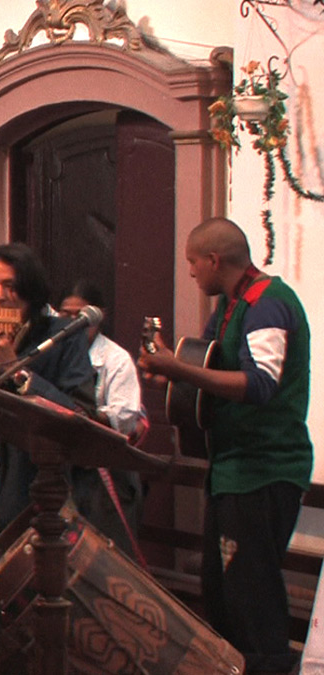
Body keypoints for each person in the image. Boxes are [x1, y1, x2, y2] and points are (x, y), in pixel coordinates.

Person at [137, 218, 311, 673]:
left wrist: (180, 371)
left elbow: (260, 384)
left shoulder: (269, 305)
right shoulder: (233, 305)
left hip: (264, 471)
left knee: (251, 598)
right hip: (234, 470)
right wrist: (175, 375)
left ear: (214, 260)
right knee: (222, 593)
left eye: (194, 263)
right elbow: (208, 362)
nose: (191, 273)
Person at [0, 243, 95, 529]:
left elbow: (81, 411)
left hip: (43, 485)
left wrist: (16, 370)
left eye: (10, 286)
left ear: (31, 290)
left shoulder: (64, 336)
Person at [58, 280, 146, 558]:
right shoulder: (54, 354)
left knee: (106, 560)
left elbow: (124, 416)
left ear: (99, 316)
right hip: (63, 473)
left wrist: (83, 415)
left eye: (81, 316)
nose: (73, 323)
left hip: (105, 477)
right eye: (66, 315)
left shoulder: (116, 359)